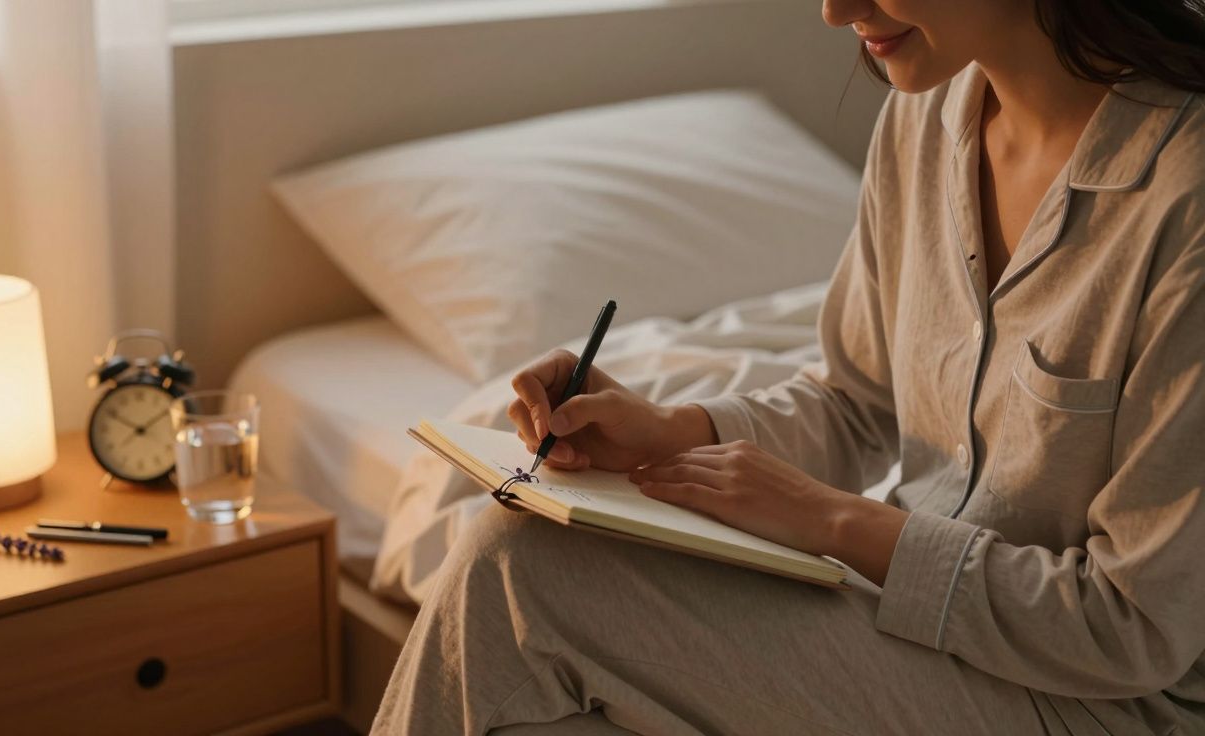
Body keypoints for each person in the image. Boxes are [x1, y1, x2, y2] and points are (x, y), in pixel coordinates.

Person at [372, 1, 1205, 733]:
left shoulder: (1185, 198)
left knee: (521, 566)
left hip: (1102, 702)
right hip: (912, 631)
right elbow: (858, 403)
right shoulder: (927, 119)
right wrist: (673, 434)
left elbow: (1131, 628)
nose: (836, 11)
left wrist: (837, 521)